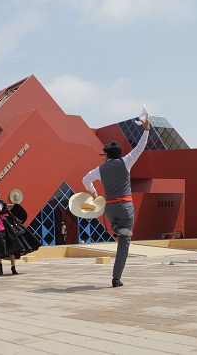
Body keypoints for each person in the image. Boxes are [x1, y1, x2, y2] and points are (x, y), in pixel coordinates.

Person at [82, 113, 150, 287]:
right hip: (126, 207)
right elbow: (140, 148)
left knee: (116, 228)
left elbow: (85, 180)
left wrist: (94, 193)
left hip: (110, 209)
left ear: (106, 154)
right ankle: (116, 278)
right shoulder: (126, 162)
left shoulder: (100, 169)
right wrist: (146, 130)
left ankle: (115, 228)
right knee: (124, 245)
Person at [0, 188, 41, 275]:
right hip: (6, 224)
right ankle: (13, 268)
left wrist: (11, 205)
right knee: (11, 244)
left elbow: (2, 207)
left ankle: (0, 266)